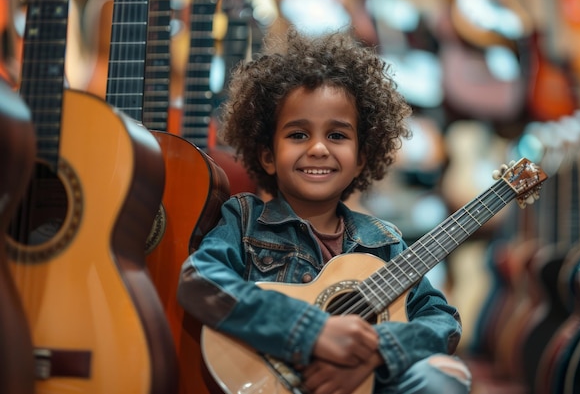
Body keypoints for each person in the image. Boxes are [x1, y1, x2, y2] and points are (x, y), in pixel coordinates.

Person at [177, 27, 471, 394]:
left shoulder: (383, 242)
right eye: (298, 134)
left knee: (446, 375)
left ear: (362, 156)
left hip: (363, 383)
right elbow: (200, 280)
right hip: (271, 383)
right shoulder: (245, 219)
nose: (318, 149)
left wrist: (378, 353)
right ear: (267, 155)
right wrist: (311, 332)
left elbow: (441, 320)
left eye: (337, 135)